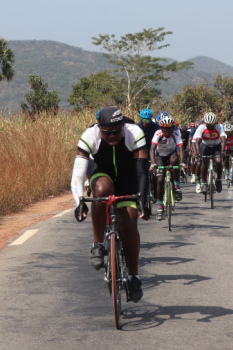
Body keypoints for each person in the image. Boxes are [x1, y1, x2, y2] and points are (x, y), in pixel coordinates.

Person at [71, 107, 150, 303]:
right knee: (102, 191)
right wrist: (79, 201)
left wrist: (143, 200)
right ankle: (97, 244)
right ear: (99, 129)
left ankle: (133, 277)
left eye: (116, 131)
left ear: (123, 126)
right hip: (101, 173)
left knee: (130, 224)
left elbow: (141, 172)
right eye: (107, 132)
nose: (112, 135)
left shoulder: (135, 133)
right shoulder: (90, 136)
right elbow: (78, 175)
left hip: (128, 176)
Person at [150, 115, 185, 220]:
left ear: (172, 127)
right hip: (160, 156)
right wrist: (153, 163)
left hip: (171, 155)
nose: (167, 130)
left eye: (169, 127)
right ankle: (160, 207)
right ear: (161, 128)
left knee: (175, 161)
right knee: (160, 179)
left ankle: (176, 187)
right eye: (165, 128)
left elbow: (181, 149)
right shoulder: (158, 134)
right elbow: (152, 149)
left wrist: (182, 163)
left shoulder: (176, 133)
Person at [193, 112, 226, 194]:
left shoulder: (219, 126)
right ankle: (204, 183)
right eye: (208, 124)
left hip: (216, 145)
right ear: (205, 123)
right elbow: (197, 141)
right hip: (205, 145)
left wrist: (222, 152)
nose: (210, 126)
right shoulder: (201, 127)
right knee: (204, 162)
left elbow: (223, 140)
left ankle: (218, 180)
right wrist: (197, 153)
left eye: (212, 124)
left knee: (218, 161)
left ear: (215, 123)